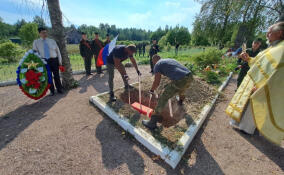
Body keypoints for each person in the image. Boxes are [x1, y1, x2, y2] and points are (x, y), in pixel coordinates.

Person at [226, 22, 284, 145]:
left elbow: (279, 74)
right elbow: (260, 63)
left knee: (252, 108)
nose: (267, 35)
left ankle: (247, 129)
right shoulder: (274, 48)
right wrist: (248, 59)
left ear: (279, 33)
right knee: (246, 105)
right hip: (253, 81)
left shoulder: (281, 50)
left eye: (269, 32)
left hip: (261, 85)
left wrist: (263, 86)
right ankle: (241, 124)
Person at [142, 54, 193, 130]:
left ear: (154, 61)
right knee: (182, 90)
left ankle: (152, 122)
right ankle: (180, 103)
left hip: (180, 79)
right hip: (189, 76)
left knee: (163, 98)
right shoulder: (169, 60)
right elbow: (175, 71)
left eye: (153, 63)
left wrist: (152, 90)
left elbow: (157, 81)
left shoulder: (157, 65)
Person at [33, 27, 63, 96]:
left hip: (54, 60)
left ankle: (59, 89)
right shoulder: (36, 42)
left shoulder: (52, 41)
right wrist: (38, 63)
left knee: (57, 75)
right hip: (45, 61)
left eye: (46, 32)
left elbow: (57, 51)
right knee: (48, 76)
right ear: (39, 33)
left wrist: (60, 61)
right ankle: (51, 90)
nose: (45, 34)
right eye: (43, 33)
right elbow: (35, 53)